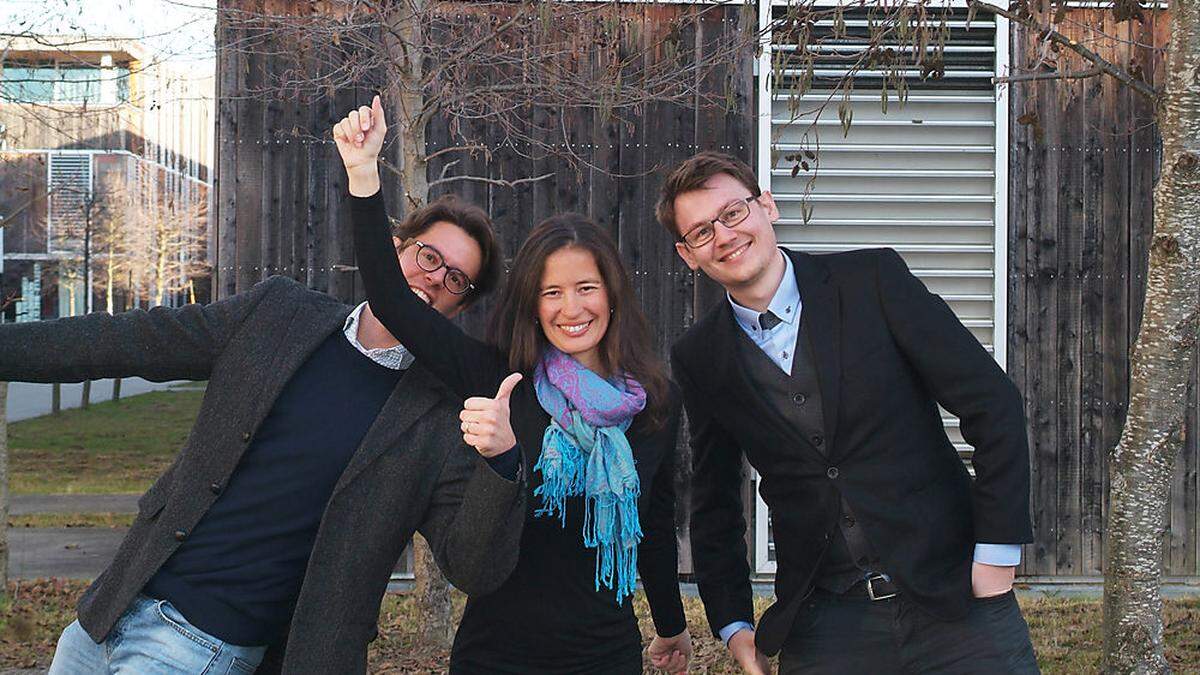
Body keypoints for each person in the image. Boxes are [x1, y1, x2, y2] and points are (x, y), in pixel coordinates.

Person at [1, 189, 526, 673]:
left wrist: (501, 461)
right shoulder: (278, 314)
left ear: (460, 306)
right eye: (429, 256)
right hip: (108, 613)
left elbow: (474, 567)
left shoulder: (441, 415)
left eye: (456, 278)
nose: (436, 277)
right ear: (393, 248)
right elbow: (132, 340)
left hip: (202, 647)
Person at [334, 96, 692, 674]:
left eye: (585, 288)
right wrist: (363, 176)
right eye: (551, 292)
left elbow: (653, 522)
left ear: (613, 293)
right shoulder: (500, 379)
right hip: (497, 656)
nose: (570, 308)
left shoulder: (656, 401)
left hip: (605, 655)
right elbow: (395, 303)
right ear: (531, 303)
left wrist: (671, 626)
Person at [659, 152, 1039, 674]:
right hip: (826, 624)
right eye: (702, 232)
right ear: (688, 255)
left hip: (956, 601)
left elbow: (991, 402)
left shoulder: (873, 281)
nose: (724, 236)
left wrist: (996, 554)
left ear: (766, 206)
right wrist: (733, 625)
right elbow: (714, 498)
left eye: (733, 213)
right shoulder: (700, 357)